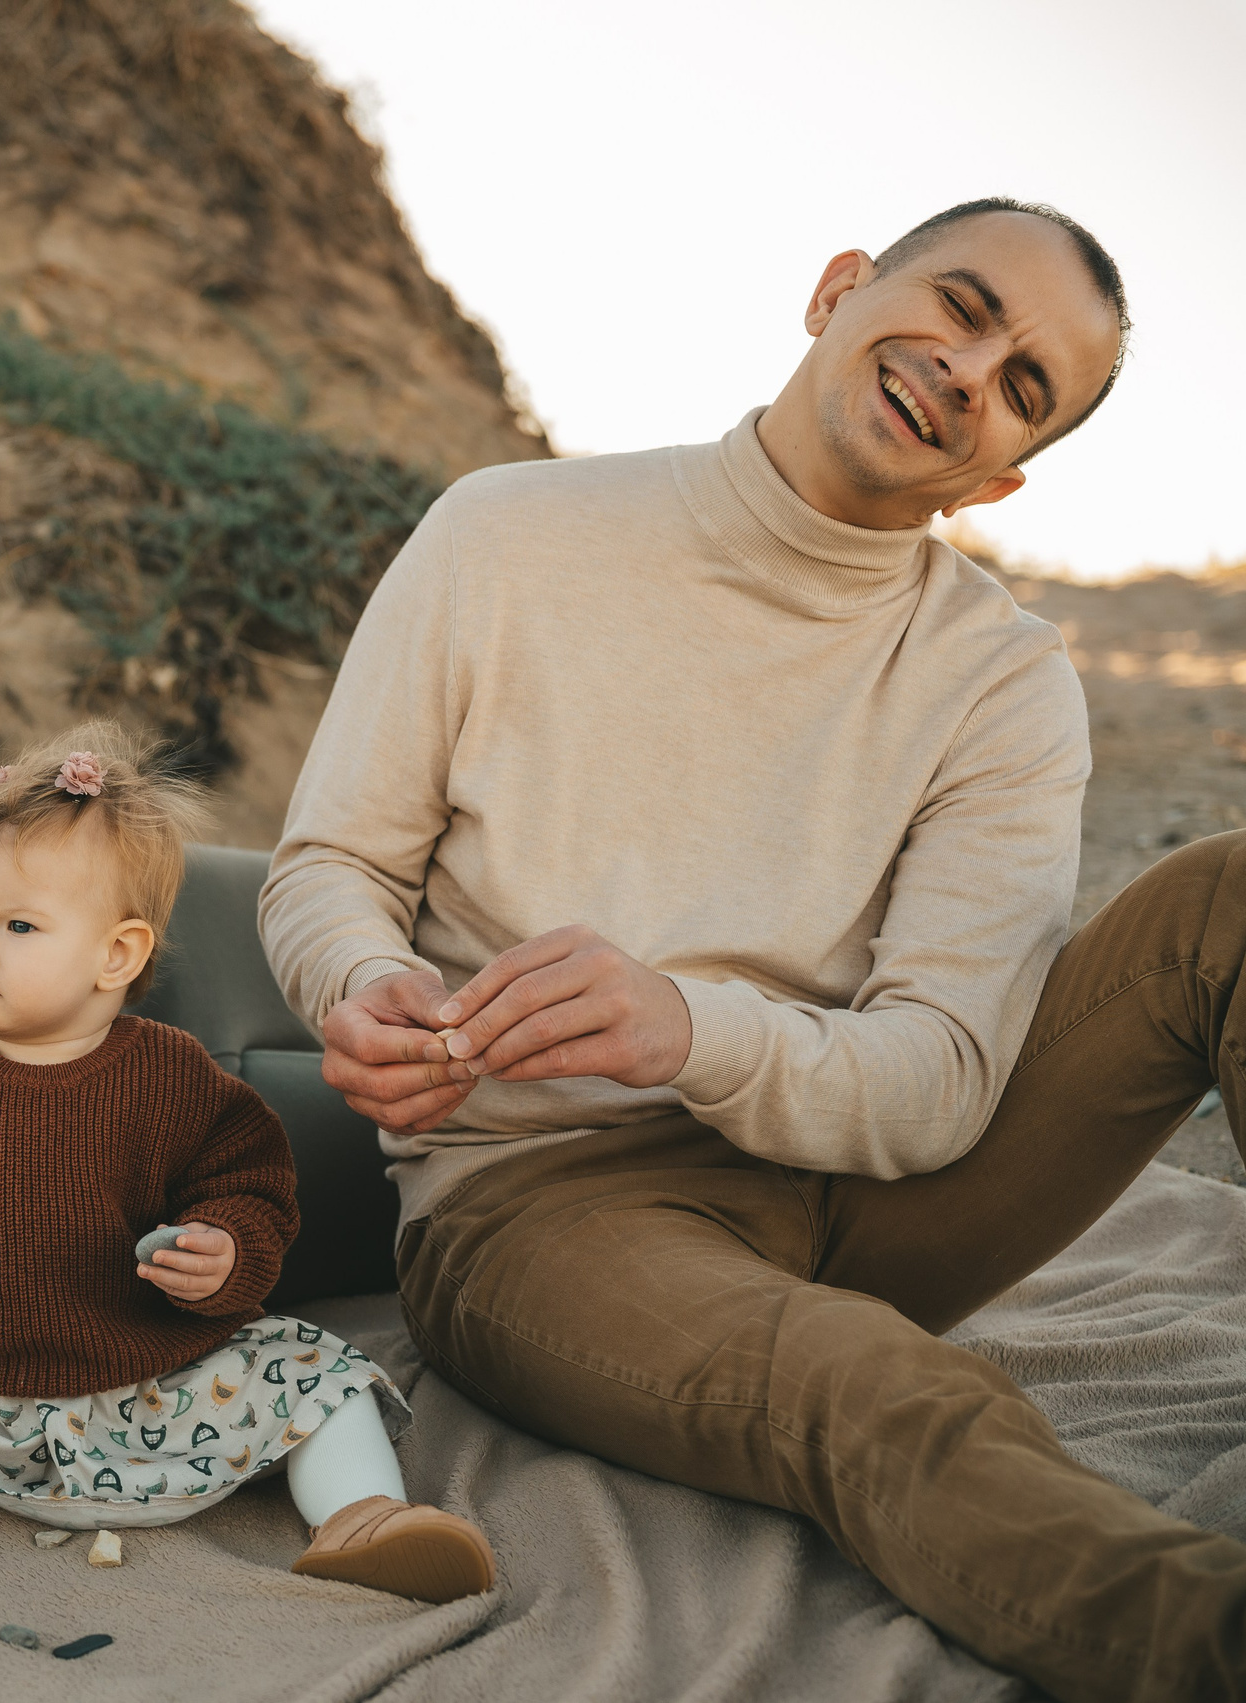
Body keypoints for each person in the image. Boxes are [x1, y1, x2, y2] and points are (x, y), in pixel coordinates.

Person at [261, 195, 1246, 1702]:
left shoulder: (1001, 681)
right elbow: (333, 865)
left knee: (1226, 897)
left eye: (1022, 384)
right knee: (885, 1388)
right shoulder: (504, 535)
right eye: (961, 306)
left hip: (874, 1181)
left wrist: (687, 1024)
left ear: (1002, 470)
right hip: (543, 1201)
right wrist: (360, 979)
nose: (968, 370)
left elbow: (941, 1077)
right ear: (839, 288)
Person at [0, 728, 495, 1603]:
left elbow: (250, 1190)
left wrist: (222, 1252)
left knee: (323, 1374)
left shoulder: (173, 1074)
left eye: (18, 926)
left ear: (119, 953)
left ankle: (364, 1516)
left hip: (158, 1394)